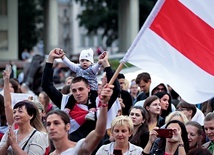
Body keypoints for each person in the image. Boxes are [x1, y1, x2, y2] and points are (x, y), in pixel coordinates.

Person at [41, 48, 120, 142]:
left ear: (89, 88)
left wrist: (106, 64)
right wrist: (50, 59)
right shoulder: (65, 102)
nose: (77, 93)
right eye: (74, 90)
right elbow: (46, 86)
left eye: (81, 89)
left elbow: (116, 90)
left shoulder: (101, 103)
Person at [46, 83, 114, 155]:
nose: (51, 127)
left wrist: (104, 104)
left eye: (56, 123)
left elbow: (98, 133)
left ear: (68, 126)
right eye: (48, 124)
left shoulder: (79, 148)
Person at [0, 66, 48, 155]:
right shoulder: (10, 133)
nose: (16, 114)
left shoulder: (39, 135)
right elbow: (7, 105)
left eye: (20, 111)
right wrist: (7, 144)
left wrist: (14, 145)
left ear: (31, 115)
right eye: (14, 112)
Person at [62, 48, 104, 121]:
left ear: (91, 62)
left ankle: (92, 112)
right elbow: (69, 63)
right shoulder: (77, 68)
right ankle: (67, 110)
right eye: (82, 60)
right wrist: (63, 57)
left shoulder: (92, 69)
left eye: (87, 60)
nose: (84, 62)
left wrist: (100, 62)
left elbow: (97, 66)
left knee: (92, 99)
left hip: (92, 90)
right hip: (80, 88)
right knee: (71, 98)